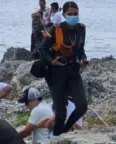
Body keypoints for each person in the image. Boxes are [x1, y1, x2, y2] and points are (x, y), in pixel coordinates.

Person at [39, 1, 88, 136]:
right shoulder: (55, 29)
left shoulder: (81, 29)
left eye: (76, 14)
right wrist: (52, 61)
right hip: (56, 74)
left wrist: (83, 58)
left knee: (82, 105)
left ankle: (65, 131)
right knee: (60, 114)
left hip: (73, 72)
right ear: (64, 15)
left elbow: (81, 49)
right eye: (70, 14)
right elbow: (42, 49)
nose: (73, 16)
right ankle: (56, 139)